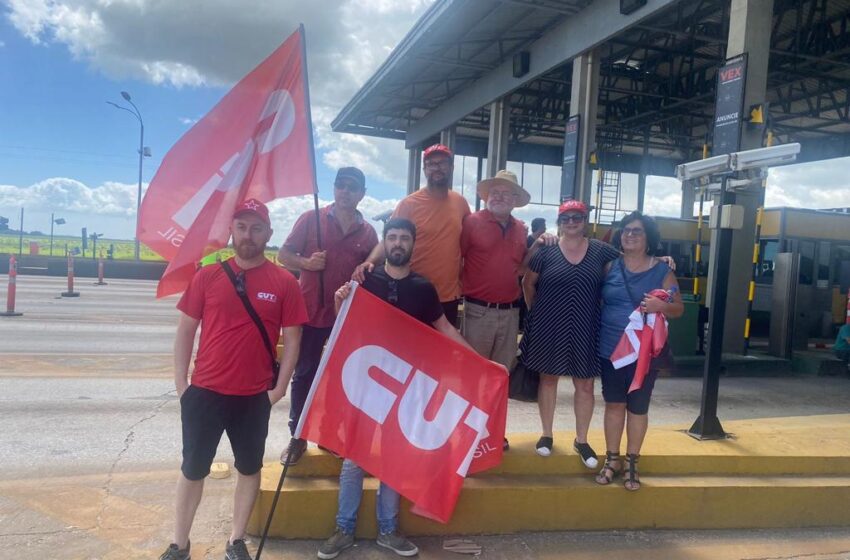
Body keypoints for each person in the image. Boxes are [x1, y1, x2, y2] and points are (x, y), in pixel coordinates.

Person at [159, 199, 307, 560]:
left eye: (256, 228)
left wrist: (279, 388)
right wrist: (182, 385)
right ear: (231, 231)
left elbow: (294, 342)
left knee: (249, 468)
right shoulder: (208, 275)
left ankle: (235, 540)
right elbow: (186, 330)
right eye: (241, 227)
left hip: (253, 395)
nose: (248, 235)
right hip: (204, 392)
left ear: (268, 234)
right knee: (193, 469)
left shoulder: (285, 282)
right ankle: (180, 544)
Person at [319, 218, 474, 559]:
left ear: (413, 244)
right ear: (385, 242)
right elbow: (343, 322)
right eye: (392, 237)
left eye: (404, 238)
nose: (398, 243)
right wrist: (338, 300)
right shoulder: (364, 280)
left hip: (405, 386)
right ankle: (343, 528)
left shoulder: (423, 287)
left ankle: (387, 530)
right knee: (354, 459)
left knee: (393, 458)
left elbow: (443, 326)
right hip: (365, 382)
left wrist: (477, 360)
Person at [277, 167, 378, 465]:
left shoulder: (368, 231)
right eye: (340, 185)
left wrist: (368, 265)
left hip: (344, 316)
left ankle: (330, 435)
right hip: (309, 311)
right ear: (334, 189)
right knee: (305, 373)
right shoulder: (312, 219)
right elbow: (284, 254)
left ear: (362, 194)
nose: (345, 191)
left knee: (338, 378)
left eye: (352, 187)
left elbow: (375, 259)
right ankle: (298, 437)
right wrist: (306, 263)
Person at [520, 200, 621, 466]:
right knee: (548, 379)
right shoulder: (546, 250)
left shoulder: (601, 252)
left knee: (585, 384)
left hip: (587, 325)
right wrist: (536, 314)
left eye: (577, 217)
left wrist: (660, 260)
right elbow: (528, 283)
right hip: (548, 324)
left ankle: (582, 439)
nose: (572, 222)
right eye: (566, 218)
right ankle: (546, 434)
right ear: (559, 222)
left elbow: (631, 265)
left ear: (585, 220)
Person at [460, 170, 553, 449]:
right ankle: (468, 433)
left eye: (507, 193)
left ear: (515, 200)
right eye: (495, 192)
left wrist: (537, 244)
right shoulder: (470, 223)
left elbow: (521, 268)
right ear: (487, 196)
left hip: (510, 313)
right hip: (478, 311)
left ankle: (494, 433)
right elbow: (457, 258)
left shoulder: (520, 229)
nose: (500, 197)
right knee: (474, 377)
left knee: (500, 378)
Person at [595, 211, 683, 491]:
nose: (629, 235)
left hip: (644, 353)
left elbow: (678, 308)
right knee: (613, 404)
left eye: (636, 231)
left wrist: (662, 307)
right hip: (611, 349)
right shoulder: (609, 267)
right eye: (626, 230)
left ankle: (632, 460)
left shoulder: (662, 271)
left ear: (648, 239)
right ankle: (612, 459)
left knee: (638, 407)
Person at [354, 144, 470, 326]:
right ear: (424, 170)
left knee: (440, 353)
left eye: (442, 163)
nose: (437, 168)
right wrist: (370, 262)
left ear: (451, 167)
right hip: (415, 293)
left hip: (449, 295)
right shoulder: (409, 203)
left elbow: (468, 241)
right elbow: (390, 239)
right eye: (431, 164)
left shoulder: (461, 203)